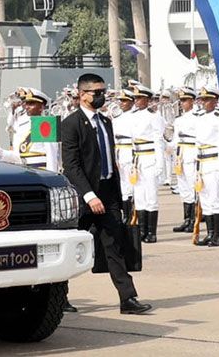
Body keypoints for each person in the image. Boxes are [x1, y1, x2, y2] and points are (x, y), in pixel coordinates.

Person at [59, 73, 151, 315]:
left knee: (115, 246)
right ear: (82, 94)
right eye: (96, 92)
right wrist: (89, 196)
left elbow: (110, 161)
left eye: (103, 92)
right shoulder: (70, 124)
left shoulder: (106, 122)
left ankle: (128, 298)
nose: (101, 96)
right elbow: (72, 165)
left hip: (108, 193)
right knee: (70, 249)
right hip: (84, 198)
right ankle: (60, 297)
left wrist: (120, 198)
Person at [191, 87, 219, 247]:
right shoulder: (199, 117)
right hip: (201, 162)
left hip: (214, 161)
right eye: (203, 99)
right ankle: (209, 233)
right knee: (205, 200)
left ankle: (217, 236)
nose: (204, 102)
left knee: (215, 199)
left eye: (207, 100)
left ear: (215, 100)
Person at [128, 86, 165, 243]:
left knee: (150, 196)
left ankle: (151, 232)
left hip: (150, 157)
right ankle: (142, 230)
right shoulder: (133, 116)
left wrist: (160, 163)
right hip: (137, 159)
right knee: (139, 196)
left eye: (140, 98)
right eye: (135, 98)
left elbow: (159, 141)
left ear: (147, 99)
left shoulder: (154, 116)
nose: (136, 101)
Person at [3, 88, 60, 172]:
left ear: (41, 107)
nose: (27, 107)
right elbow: (18, 154)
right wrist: (1, 153)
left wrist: (52, 177)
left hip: (40, 172)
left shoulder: (46, 123)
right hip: (22, 171)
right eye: (26, 103)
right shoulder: (22, 125)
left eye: (31, 104)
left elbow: (52, 155)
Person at [170, 87, 199, 234]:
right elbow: (176, 139)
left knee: (193, 187)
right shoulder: (179, 120)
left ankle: (194, 219)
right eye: (181, 100)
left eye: (185, 100)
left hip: (192, 154)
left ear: (192, 101)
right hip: (181, 154)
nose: (182, 103)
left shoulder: (198, 117)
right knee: (184, 188)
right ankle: (187, 219)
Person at [110, 90, 137, 221]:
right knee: (123, 185)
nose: (122, 103)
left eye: (125, 101)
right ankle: (126, 214)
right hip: (119, 152)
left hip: (129, 152)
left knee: (131, 185)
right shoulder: (117, 118)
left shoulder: (135, 118)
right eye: (121, 100)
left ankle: (132, 214)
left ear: (132, 102)